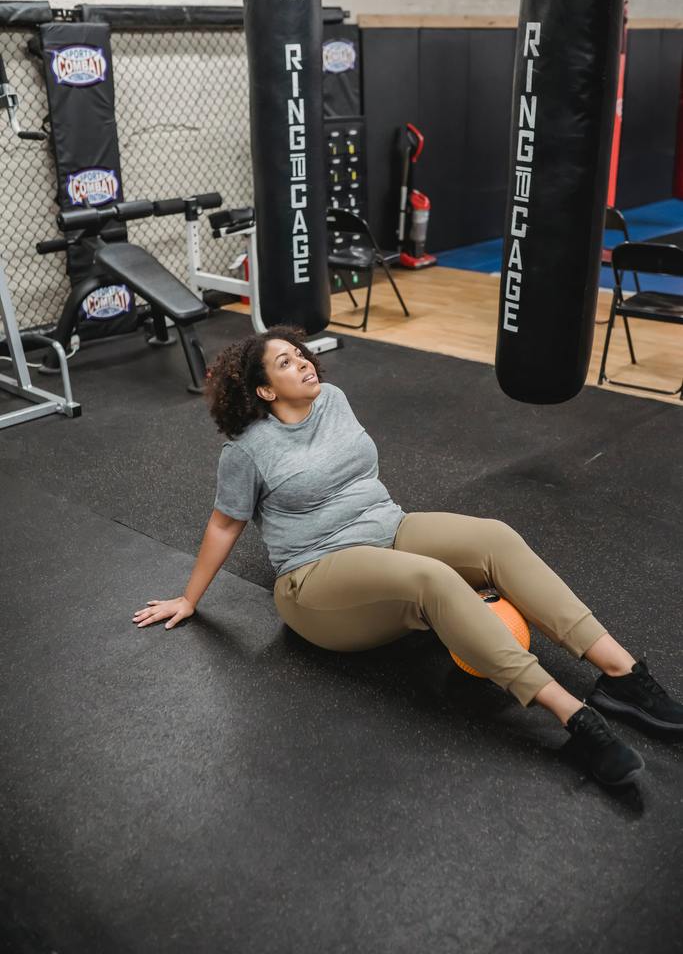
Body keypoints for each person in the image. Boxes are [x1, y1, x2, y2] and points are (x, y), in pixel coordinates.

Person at [133, 325, 683, 787]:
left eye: (300, 352)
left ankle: (623, 677)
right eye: (285, 362)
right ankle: (576, 717)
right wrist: (189, 598)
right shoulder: (247, 451)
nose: (303, 362)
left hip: (389, 527)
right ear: (265, 392)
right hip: (315, 576)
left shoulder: (334, 400)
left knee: (495, 537)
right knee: (432, 578)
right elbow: (224, 524)